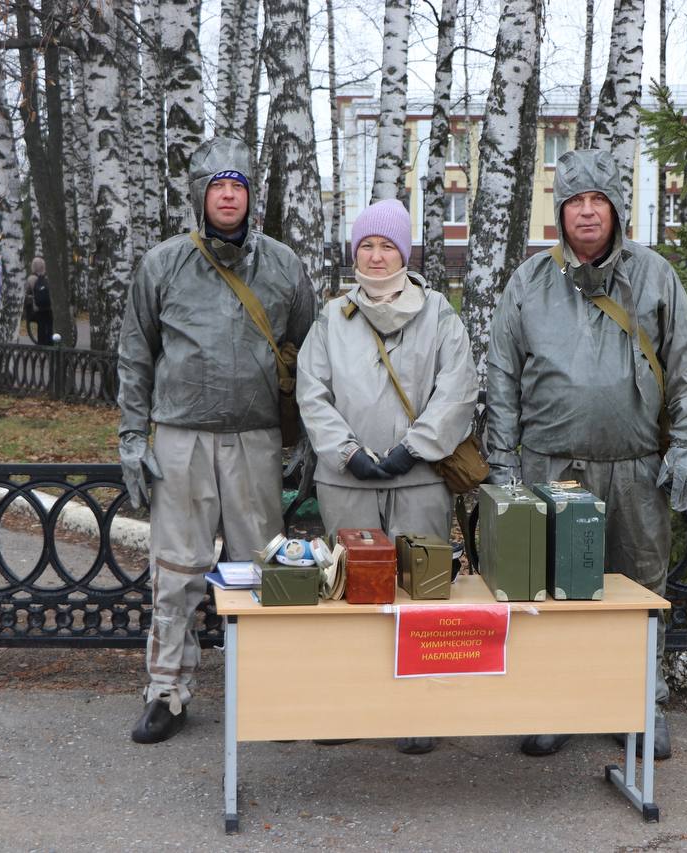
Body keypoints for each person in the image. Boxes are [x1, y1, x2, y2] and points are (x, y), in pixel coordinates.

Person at [485, 149, 687, 760]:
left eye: (598, 202)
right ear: (559, 214)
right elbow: (502, 377)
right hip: (550, 470)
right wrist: (502, 464)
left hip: (636, 469)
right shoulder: (529, 283)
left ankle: (641, 702)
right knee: (555, 592)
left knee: (639, 587)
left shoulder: (655, 275)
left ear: (616, 210)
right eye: (575, 203)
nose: (587, 213)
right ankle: (555, 701)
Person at [117, 136, 316, 745]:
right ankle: (166, 690)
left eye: (238, 184)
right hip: (181, 439)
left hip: (255, 441)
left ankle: (271, 690)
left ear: (251, 194)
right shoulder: (164, 264)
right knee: (176, 570)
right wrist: (132, 435)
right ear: (199, 195)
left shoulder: (282, 266)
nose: (228, 195)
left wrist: (305, 437)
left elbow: (309, 356)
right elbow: (135, 355)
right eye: (217, 185)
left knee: (261, 571)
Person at [297, 200, 479, 755]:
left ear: (406, 251)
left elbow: (458, 388)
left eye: (387, 246)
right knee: (351, 594)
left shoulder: (441, 315)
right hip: (347, 482)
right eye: (366, 246)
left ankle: (416, 709)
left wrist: (413, 448)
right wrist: (347, 451)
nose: (376, 257)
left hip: (419, 481)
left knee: (418, 593)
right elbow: (313, 390)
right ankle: (349, 705)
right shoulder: (332, 318)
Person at [26, 257, 54, 344]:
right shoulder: (48, 277)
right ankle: (50, 342)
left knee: (41, 325)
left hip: (37, 309)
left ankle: (41, 344)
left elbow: (26, 293)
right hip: (49, 307)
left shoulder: (31, 279)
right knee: (49, 324)